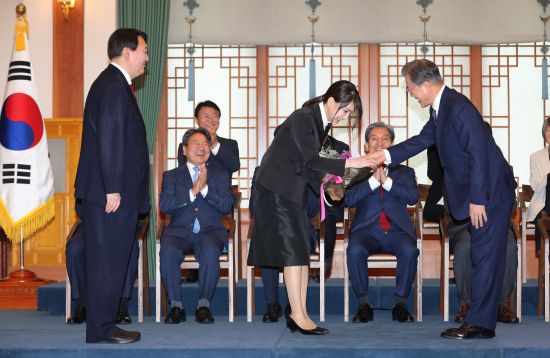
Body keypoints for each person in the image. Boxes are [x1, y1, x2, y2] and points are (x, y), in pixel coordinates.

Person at [365, 59, 516, 339]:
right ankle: (479, 322)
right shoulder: (440, 110)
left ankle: (480, 325)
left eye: (411, 88)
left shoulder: (457, 107)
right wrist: (383, 156)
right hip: (482, 191)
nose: (410, 93)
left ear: (425, 84)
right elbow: (420, 142)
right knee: (481, 256)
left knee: (484, 256)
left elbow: (479, 152)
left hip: (489, 193)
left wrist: (478, 198)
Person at [247, 80, 371, 335]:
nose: (345, 118)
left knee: (301, 250)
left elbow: (308, 167)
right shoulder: (305, 117)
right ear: (333, 101)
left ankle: (299, 313)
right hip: (276, 190)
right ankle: (298, 315)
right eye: (345, 111)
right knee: (293, 252)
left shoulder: (318, 123)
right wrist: (354, 162)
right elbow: (314, 161)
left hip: (292, 191)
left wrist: (328, 189)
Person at [74, 28, 150, 344]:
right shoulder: (113, 87)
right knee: (106, 261)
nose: (147, 57)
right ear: (127, 52)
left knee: (112, 260)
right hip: (110, 195)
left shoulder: (115, 84)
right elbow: (109, 139)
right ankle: (101, 329)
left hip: (114, 193)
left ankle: (104, 323)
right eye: (144, 50)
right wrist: (112, 186)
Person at [424, 129, 519, 324]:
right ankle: (466, 303)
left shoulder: (502, 168)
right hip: (463, 224)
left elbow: (512, 205)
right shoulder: (456, 167)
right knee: (466, 245)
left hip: (496, 224)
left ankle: (502, 304)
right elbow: (452, 206)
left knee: (508, 245)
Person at [345, 122, 419, 323]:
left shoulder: (404, 172)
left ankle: (401, 304)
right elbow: (348, 199)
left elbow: (412, 197)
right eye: (374, 139)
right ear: (366, 146)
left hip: (397, 231)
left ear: (392, 145)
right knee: (354, 250)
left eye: (385, 139)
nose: (379, 143)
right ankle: (363, 304)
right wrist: (372, 182)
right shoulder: (355, 171)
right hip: (366, 231)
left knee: (410, 250)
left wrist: (387, 182)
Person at [159, 128, 234, 324]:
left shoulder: (220, 175)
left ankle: (203, 305)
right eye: (196, 144)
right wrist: (193, 191)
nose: (201, 148)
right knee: (167, 250)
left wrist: (206, 188)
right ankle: (176, 306)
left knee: (210, 249)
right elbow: (164, 206)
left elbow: (227, 206)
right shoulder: (171, 176)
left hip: (210, 231)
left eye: (205, 144)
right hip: (179, 232)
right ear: (184, 150)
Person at [177, 100, 240, 283]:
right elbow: (183, 173)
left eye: (214, 116)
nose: (210, 119)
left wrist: (213, 145)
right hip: (194, 201)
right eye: (205, 116)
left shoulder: (229, 145)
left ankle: (209, 256)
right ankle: (196, 260)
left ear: (219, 120)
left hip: (217, 203)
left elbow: (233, 166)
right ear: (197, 119)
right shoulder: (188, 144)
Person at [65, 223, 139, 325]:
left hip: (122, 224)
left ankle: (121, 304)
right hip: (92, 224)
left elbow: (144, 209)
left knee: (129, 247)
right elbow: (80, 209)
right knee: (74, 248)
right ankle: (81, 303)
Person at [526, 117, 550, 254]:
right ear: (544, 134)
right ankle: (545, 256)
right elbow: (535, 186)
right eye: (548, 130)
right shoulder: (535, 157)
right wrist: (548, 177)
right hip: (543, 203)